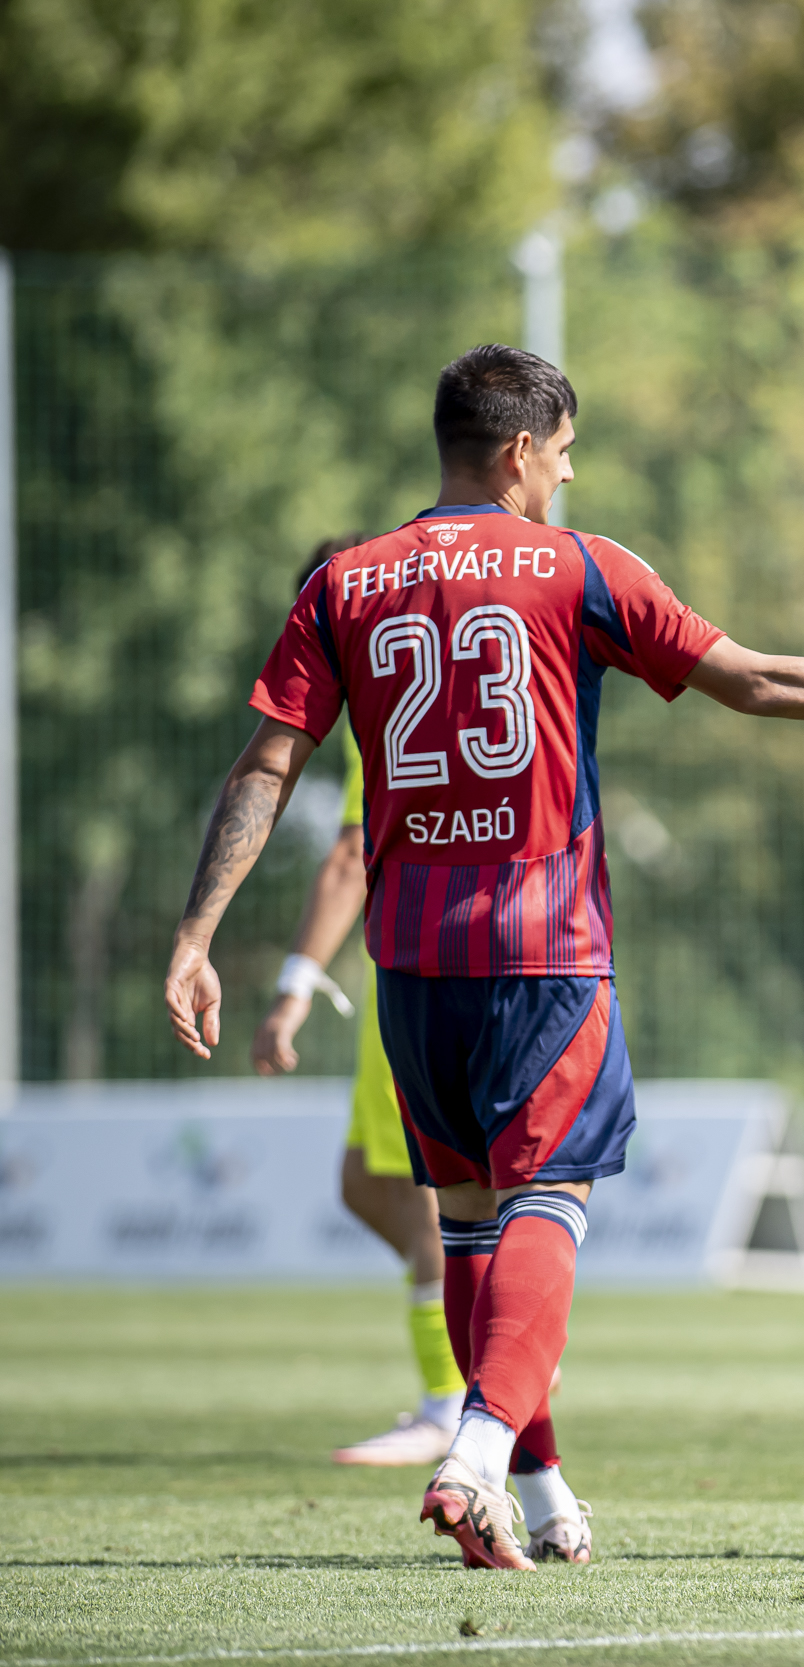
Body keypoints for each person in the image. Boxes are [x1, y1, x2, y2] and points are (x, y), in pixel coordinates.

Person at [165, 342, 804, 1571]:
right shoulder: (577, 567)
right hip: (544, 949)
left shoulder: (344, 582)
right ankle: (478, 1453)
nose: (570, 476)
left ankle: (536, 1490)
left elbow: (268, 763)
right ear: (520, 449)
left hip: (411, 964)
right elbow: (754, 680)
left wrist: (196, 933)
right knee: (551, 1200)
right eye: (566, 452)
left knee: (471, 1223)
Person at [250, 538, 470, 1472]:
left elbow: (350, 858)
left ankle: (451, 1401)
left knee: (427, 1197)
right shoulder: (422, 671)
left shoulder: (378, 690)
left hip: (416, 961)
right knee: (366, 1182)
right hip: (432, 957)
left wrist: (295, 984)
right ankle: (485, 1329)